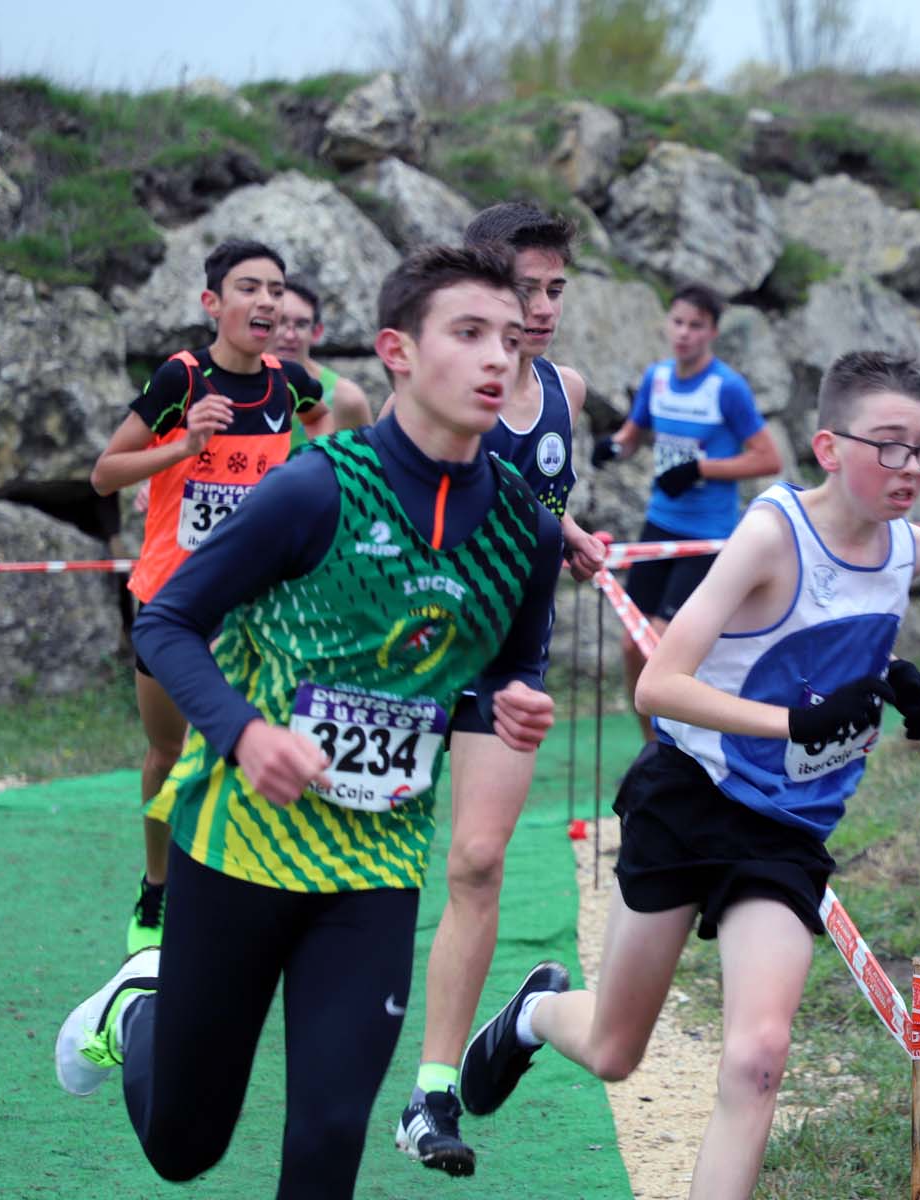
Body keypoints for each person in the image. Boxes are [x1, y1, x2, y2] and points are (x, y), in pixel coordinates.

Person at [54, 242, 562, 1200]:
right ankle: (137, 1007)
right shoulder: (316, 486)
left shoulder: (524, 530)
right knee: (185, 1147)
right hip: (241, 845)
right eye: (468, 333)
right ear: (398, 352)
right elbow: (167, 623)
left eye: (510, 335)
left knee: (329, 1139)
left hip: (372, 863)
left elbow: (500, 672)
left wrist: (507, 705)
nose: (500, 355)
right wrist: (246, 733)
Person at [462, 351, 920, 1199]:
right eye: (891, 446)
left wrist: (891, 677)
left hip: (787, 832)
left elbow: (824, 641)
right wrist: (794, 723)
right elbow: (660, 683)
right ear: (830, 448)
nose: (911, 468)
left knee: (759, 1058)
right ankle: (533, 1015)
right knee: (616, 1050)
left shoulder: (915, 554)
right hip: (690, 794)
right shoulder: (772, 535)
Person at [390, 202, 610, 1178]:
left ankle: (432, 1093)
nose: (543, 306)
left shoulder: (568, 389)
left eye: (557, 289)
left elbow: (541, 511)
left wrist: (571, 542)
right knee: (367, 868)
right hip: (403, 656)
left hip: (508, 667)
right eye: (526, 287)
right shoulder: (428, 383)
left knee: (477, 864)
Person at [89, 238, 332, 956]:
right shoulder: (182, 378)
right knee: (168, 752)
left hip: (258, 608)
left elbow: (327, 415)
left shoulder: (289, 383)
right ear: (212, 303)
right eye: (249, 287)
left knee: (245, 751)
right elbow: (105, 474)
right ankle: (157, 887)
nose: (267, 302)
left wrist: (312, 470)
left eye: (277, 290)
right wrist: (182, 448)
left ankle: (242, 895)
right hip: (172, 604)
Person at [590, 281, 782, 738]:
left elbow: (767, 458)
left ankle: (680, 751)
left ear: (712, 332)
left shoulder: (727, 388)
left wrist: (701, 469)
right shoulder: (657, 378)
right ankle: (651, 749)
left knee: (660, 645)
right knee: (632, 645)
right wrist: (611, 449)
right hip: (659, 524)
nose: (684, 333)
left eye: (696, 326)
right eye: (678, 322)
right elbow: (633, 436)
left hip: (706, 536)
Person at [274, 276, 375, 447]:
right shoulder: (233, 383)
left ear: (317, 332)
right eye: (281, 321)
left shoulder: (346, 399)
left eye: (301, 324)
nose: (290, 335)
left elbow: (366, 468)